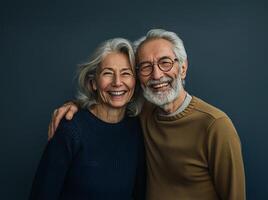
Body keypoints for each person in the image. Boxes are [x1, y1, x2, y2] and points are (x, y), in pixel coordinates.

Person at [49, 29, 246, 200]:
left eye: (165, 63)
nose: (157, 75)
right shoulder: (143, 113)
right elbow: (108, 103)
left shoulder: (215, 125)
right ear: (139, 78)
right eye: (145, 67)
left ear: (183, 68)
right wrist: (75, 106)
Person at [29, 38, 146, 200]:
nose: (117, 82)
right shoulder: (71, 129)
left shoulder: (137, 128)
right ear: (93, 83)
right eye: (108, 73)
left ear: (135, 82)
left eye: (126, 73)